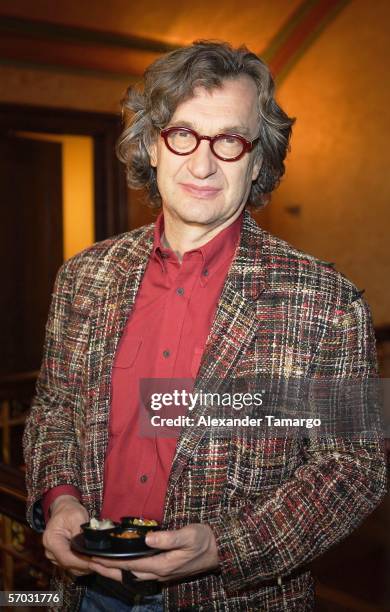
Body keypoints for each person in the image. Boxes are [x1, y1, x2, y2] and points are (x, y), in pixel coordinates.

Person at [23, 41, 386, 611]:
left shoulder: (327, 304)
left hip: (231, 597)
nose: (202, 163)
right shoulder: (83, 276)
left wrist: (225, 546)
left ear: (258, 160)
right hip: (85, 591)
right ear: (151, 145)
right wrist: (61, 498)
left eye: (230, 141)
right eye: (183, 134)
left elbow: (354, 470)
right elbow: (52, 407)